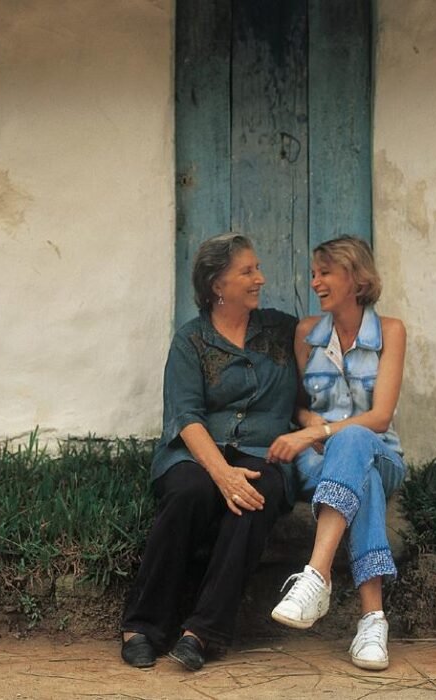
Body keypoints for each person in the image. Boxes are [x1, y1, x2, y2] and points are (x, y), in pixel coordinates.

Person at [120, 232, 298, 671]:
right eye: (248, 270)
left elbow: (338, 329)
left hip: (263, 451)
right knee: (189, 493)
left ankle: (202, 632)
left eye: (257, 268)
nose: (260, 277)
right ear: (217, 283)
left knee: (255, 499)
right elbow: (186, 416)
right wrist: (222, 474)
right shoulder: (190, 341)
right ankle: (143, 625)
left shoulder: (283, 329)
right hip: (195, 453)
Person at [267, 235, 406, 671]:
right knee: (358, 478)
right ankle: (372, 621)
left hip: (381, 455)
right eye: (313, 273)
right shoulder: (307, 333)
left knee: (355, 443)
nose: (315, 282)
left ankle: (316, 575)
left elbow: (380, 418)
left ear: (356, 278)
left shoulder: (390, 332)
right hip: (320, 462)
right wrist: (311, 425)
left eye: (325, 273)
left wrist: (318, 432)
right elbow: (299, 404)